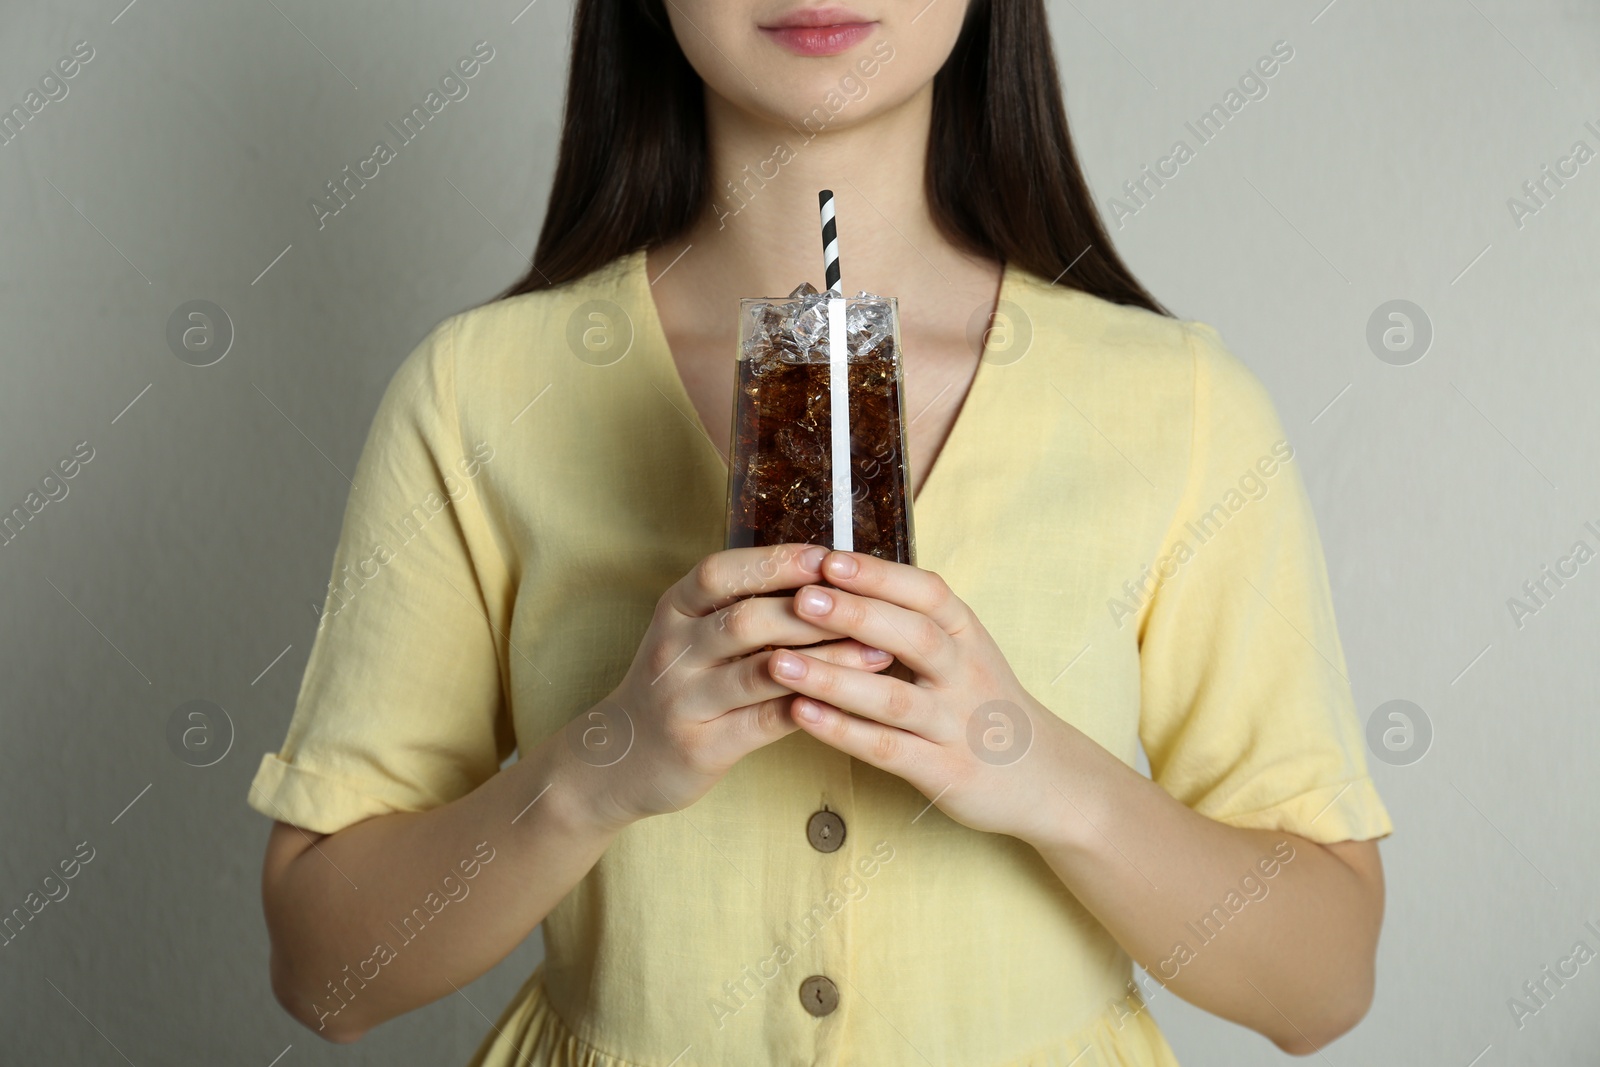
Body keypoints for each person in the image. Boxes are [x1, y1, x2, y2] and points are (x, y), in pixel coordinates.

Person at [248, 2, 1393, 1064]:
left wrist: (1039, 770)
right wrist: (602, 767)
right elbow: (326, 973)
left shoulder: (1177, 402)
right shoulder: (480, 395)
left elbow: (1320, 982)